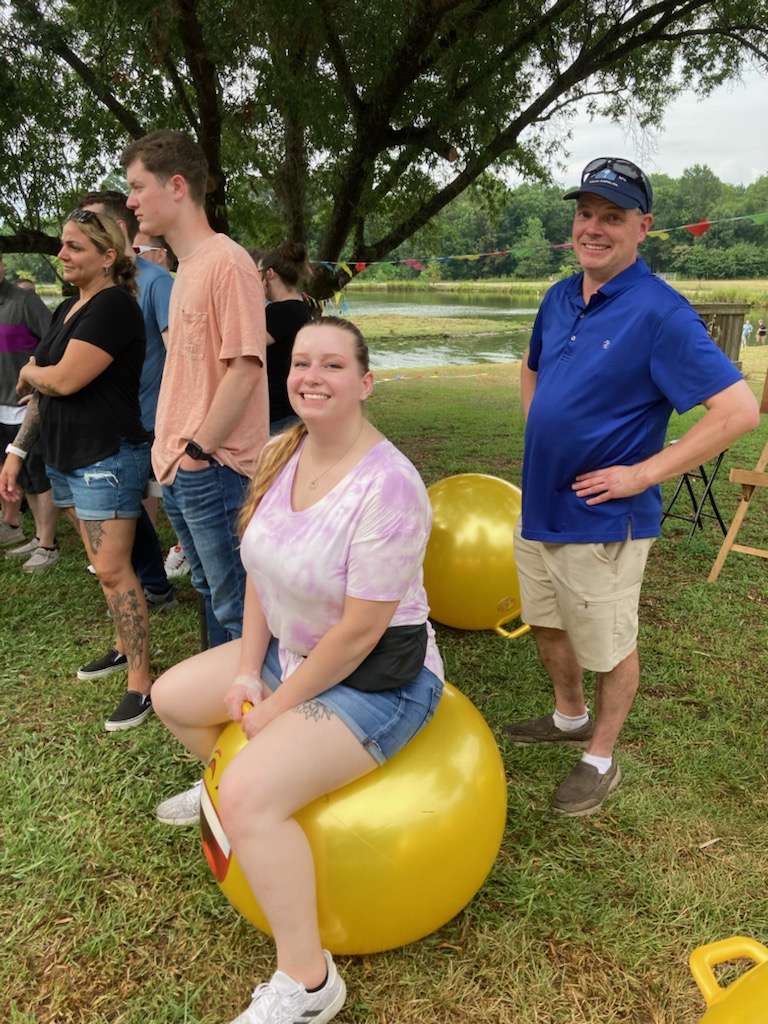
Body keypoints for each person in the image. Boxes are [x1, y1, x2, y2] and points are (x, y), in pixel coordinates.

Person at [151, 316, 444, 1024]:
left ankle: (310, 982)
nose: (312, 376)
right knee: (174, 698)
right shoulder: (285, 453)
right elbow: (261, 572)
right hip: (294, 654)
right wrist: (251, 670)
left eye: (333, 365)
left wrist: (275, 713)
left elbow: (359, 633)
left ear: (365, 383)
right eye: (302, 362)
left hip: (380, 679)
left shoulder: (391, 487)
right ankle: (223, 789)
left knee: (250, 789)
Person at [504, 157, 760, 816]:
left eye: (611, 217)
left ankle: (600, 757)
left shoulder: (660, 313)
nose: (593, 228)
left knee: (609, 644)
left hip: (602, 520)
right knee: (546, 621)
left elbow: (739, 411)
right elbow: (531, 369)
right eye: (586, 213)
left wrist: (641, 474)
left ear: (642, 227)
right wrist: (542, 428)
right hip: (540, 503)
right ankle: (568, 717)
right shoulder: (560, 295)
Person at [0, 210, 155, 731]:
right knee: (100, 567)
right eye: (63, 246)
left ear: (108, 257)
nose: (62, 255)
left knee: (114, 569)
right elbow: (42, 394)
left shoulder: (114, 308)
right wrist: (18, 452)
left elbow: (60, 381)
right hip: (66, 459)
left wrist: (29, 370)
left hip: (106, 456)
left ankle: (141, 683)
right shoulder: (69, 307)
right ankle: (119, 648)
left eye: (75, 247)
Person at [122, 129, 268, 647]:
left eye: (138, 187)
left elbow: (247, 367)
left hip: (216, 466)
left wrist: (199, 451)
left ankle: (255, 717)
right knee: (210, 590)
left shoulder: (227, 262)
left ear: (177, 186)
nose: (130, 201)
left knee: (236, 602)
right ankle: (223, 707)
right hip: (182, 464)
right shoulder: (187, 268)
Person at [69, 190, 177, 680]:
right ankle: (148, 594)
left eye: (93, 224)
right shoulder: (83, 296)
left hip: (143, 424)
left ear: (115, 233)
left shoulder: (156, 283)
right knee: (117, 541)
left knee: (135, 528)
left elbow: (178, 356)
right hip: (87, 438)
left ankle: (157, 592)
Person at [0, 254, 59, 571]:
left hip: (26, 407)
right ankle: (33, 534)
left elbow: (53, 341)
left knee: (39, 477)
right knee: (18, 476)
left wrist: (39, 383)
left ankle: (49, 544)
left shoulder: (25, 301)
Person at [250, 242, 314, 434]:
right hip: (288, 407)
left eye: (258, 273)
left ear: (269, 274)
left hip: (278, 413)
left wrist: (252, 296)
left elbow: (246, 343)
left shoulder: (280, 312)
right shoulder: (301, 307)